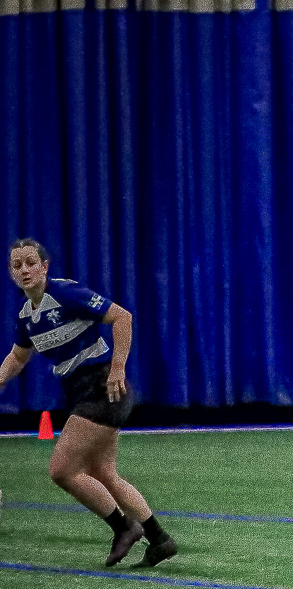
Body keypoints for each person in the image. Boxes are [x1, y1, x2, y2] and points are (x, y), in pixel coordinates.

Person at [0, 238, 176, 567]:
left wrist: (118, 367)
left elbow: (122, 317)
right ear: (10, 273)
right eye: (16, 265)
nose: (24, 270)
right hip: (80, 392)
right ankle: (159, 539)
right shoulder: (26, 316)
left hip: (102, 387)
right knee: (104, 473)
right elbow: (18, 356)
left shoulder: (66, 293)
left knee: (61, 470)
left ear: (45, 267)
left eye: (31, 263)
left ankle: (123, 527)